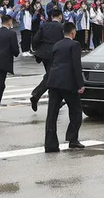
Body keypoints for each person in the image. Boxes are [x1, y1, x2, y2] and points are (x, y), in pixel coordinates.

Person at [44, 22, 85, 153]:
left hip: (54, 81)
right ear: (73, 32)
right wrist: (80, 84)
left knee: (52, 114)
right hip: (68, 83)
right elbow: (76, 65)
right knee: (76, 111)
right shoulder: (75, 44)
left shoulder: (57, 44)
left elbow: (52, 63)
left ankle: (50, 144)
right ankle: (72, 139)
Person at [30, 9, 64, 111]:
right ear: (60, 16)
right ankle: (36, 95)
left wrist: (39, 49)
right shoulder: (61, 27)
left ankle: (55, 101)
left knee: (52, 76)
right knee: (51, 77)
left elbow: (35, 39)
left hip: (44, 55)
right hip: (56, 54)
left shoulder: (44, 25)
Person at [0, 15, 20, 119]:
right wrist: (15, 52)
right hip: (3, 63)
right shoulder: (11, 34)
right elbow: (15, 50)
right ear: (9, 22)